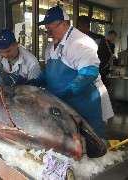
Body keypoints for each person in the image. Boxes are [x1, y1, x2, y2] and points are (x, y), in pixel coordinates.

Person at [34, 5, 113, 138]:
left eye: (50, 29)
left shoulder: (80, 42)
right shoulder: (50, 46)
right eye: (46, 29)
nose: (48, 33)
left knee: (92, 140)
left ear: (64, 24)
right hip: (63, 104)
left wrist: (65, 91)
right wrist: (35, 81)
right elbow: (48, 71)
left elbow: (89, 73)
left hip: (86, 102)